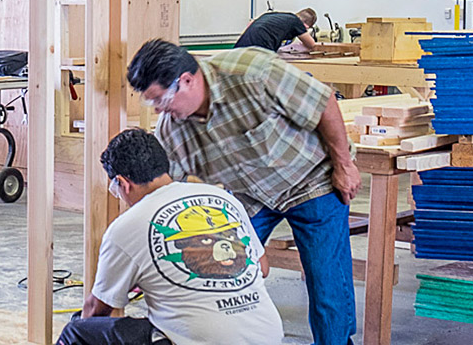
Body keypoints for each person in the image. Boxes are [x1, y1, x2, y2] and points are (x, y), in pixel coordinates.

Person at [126, 39, 358, 345]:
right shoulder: (172, 130)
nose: (158, 109)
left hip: (310, 180)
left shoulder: (254, 73)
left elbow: (322, 103)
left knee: (326, 283)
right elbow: (165, 195)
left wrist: (344, 165)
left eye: (160, 99)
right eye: (150, 103)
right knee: (218, 269)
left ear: (186, 80)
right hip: (249, 199)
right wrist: (146, 255)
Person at [58, 128, 284, 345]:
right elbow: (262, 268)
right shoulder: (223, 198)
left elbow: (98, 309)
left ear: (123, 183)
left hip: (206, 341)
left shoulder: (125, 227)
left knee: (76, 331)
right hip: (268, 335)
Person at [235, 8, 317, 52]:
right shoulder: (296, 21)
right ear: (306, 26)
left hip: (240, 46)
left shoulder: (273, 15)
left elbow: (251, 23)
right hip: (260, 48)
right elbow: (311, 44)